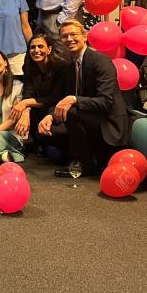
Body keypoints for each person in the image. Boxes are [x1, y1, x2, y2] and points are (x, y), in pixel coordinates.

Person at [49, 20, 129, 177]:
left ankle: (86, 165)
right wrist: (49, 116)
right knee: (50, 127)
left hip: (109, 122)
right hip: (90, 116)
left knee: (71, 113)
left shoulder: (100, 61)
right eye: (64, 37)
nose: (69, 39)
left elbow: (105, 102)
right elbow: (61, 98)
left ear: (84, 36)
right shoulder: (69, 65)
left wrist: (74, 99)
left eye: (73, 34)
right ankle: (83, 158)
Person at [11, 33, 70, 156]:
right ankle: (32, 142)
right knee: (19, 109)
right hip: (39, 110)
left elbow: (54, 98)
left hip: (57, 111)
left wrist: (25, 103)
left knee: (56, 156)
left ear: (49, 49)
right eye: (32, 47)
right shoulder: (29, 67)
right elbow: (28, 92)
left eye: (40, 46)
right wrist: (26, 110)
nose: (36, 50)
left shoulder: (61, 67)